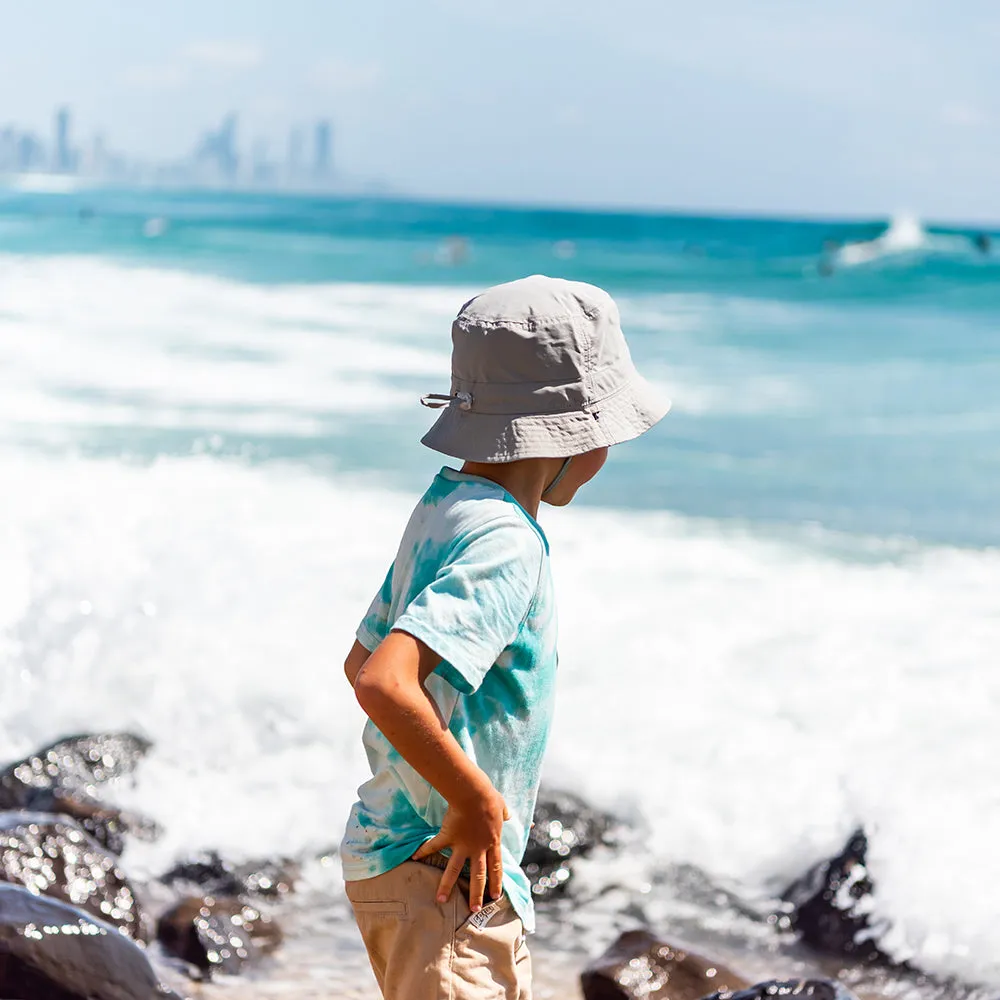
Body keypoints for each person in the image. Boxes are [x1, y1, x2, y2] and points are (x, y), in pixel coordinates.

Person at [340, 274, 669, 999]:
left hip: (396, 857)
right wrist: (475, 803)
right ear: (574, 435)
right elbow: (381, 682)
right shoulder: (505, 542)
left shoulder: (446, 505)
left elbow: (360, 657)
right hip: (443, 879)